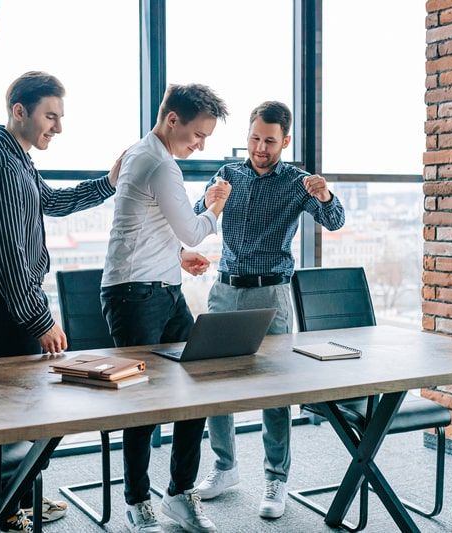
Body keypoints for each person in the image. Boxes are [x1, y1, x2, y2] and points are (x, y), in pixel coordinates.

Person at [0, 71, 122, 532]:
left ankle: (11, 504)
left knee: (23, 410)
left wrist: (107, 182)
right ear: (20, 111)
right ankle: (7, 509)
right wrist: (40, 319)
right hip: (7, 300)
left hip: (8, 297)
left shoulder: (16, 160)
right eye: (50, 116)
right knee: (23, 411)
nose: (57, 126)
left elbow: (51, 202)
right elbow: (11, 254)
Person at [194, 101, 345, 519]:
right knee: (213, 382)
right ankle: (225, 466)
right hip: (224, 290)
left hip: (272, 293)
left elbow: (334, 220)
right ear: (248, 136)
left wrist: (325, 194)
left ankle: (276, 478)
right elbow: (195, 217)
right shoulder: (228, 174)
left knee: (274, 391)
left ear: (286, 141)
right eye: (255, 139)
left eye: (270, 141)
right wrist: (209, 201)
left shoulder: (298, 182)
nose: (260, 148)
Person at [101, 83, 231, 533]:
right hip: (136, 296)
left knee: (194, 385)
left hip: (161, 289)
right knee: (144, 404)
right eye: (198, 134)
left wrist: (176, 257)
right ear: (171, 119)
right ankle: (138, 503)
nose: (201, 144)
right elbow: (197, 230)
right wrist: (216, 205)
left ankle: (179, 493)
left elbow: (142, 227)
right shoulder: (158, 163)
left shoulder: (148, 156)